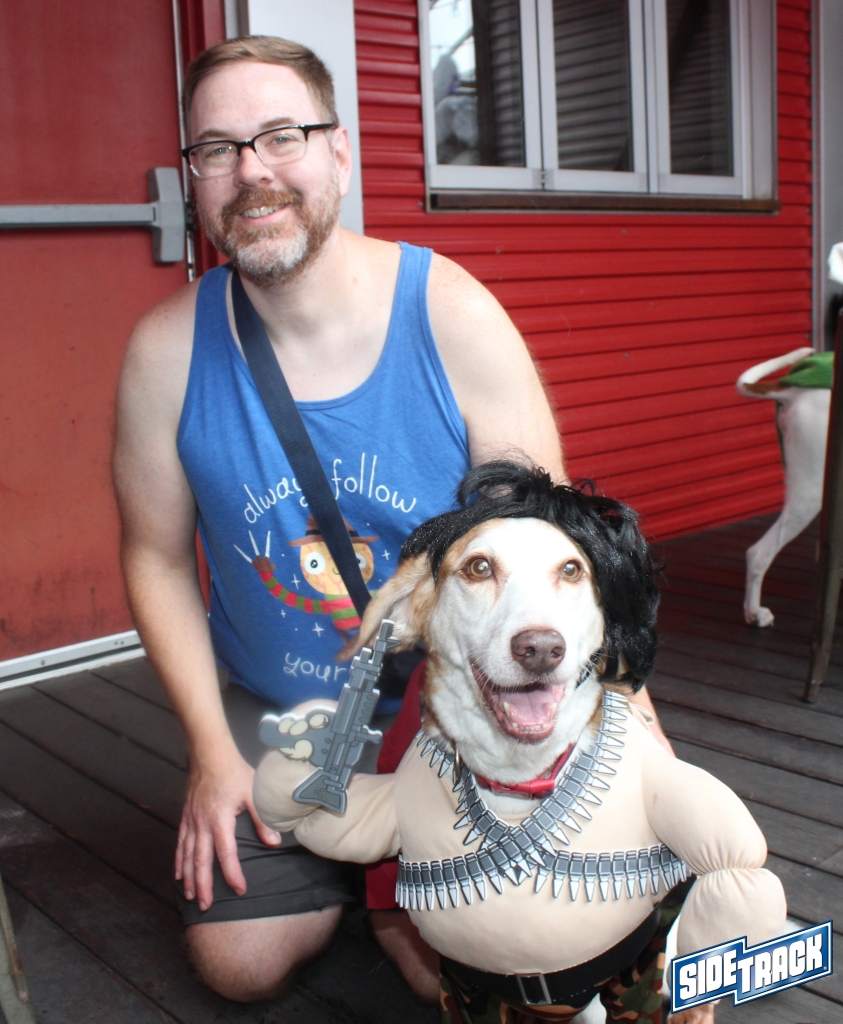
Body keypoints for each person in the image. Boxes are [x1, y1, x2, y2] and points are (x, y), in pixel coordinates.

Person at [113, 35, 671, 1006]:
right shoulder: (165, 352)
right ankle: (379, 869)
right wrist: (209, 750)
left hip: (463, 708)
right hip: (284, 719)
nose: (252, 171)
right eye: (217, 148)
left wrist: (633, 723)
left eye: (281, 136)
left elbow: (552, 545)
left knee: (521, 946)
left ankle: (392, 887)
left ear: (339, 152)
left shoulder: (450, 313)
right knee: (240, 965)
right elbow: (155, 557)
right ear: (193, 176)